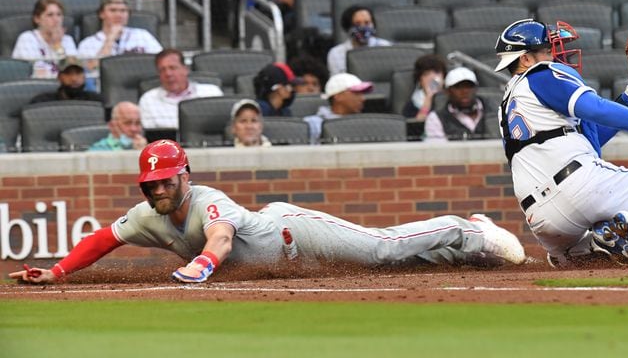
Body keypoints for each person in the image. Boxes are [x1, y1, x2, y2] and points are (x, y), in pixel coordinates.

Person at [10, 139, 525, 285]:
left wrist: (202, 266)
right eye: (149, 182)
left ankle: (468, 230)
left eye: (164, 179)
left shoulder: (207, 200)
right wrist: (56, 271)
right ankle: (463, 256)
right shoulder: (146, 214)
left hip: (291, 233)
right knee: (388, 268)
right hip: (287, 262)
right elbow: (102, 239)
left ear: (183, 175)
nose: (156, 189)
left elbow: (221, 239)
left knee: (380, 248)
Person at [494, 18, 628, 268]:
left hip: (543, 220)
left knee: (598, 256)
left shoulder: (508, 101)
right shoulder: (540, 75)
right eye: (548, 50)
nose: (555, 54)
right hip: (577, 184)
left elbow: (591, 139)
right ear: (525, 59)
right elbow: (595, 108)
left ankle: (582, 249)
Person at [138, 49, 223, 129]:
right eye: (162, 70)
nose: (168, 74)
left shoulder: (211, 92)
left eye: (172, 68)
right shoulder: (148, 100)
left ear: (185, 69)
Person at [77, 0, 162, 58]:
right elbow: (93, 69)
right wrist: (110, 38)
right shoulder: (88, 44)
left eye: (123, 11)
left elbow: (160, 61)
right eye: (113, 10)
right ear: (101, 14)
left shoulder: (143, 35)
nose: (118, 15)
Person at [12, 0, 78, 78]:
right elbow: (37, 74)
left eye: (59, 15)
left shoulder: (67, 40)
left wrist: (58, 45)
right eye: (50, 15)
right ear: (37, 19)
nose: (56, 19)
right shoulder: (27, 39)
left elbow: (73, 72)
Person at [303, 73, 373, 144]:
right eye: (356, 93)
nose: (363, 99)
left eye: (362, 94)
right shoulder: (313, 124)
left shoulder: (367, 123)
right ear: (338, 96)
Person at [423, 67, 488, 142]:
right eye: (458, 87)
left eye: (469, 86)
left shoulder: (496, 111)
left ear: (476, 88)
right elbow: (439, 151)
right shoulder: (435, 118)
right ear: (447, 91)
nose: (465, 91)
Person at [326, 5, 392, 76]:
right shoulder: (336, 53)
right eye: (357, 24)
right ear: (348, 27)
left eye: (367, 23)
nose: (363, 27)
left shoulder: (386, 47)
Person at [29, 58, 104, 104]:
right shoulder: (43, 102)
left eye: (78, 73)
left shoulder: (96, 101)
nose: (74, 78)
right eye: (68, 73)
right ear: (59, 77)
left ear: (84, 77)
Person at [402, 54, 447, 121]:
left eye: (437, 72)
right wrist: (428, 97)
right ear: (420, 80)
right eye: (427, 74)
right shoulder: (412, 104)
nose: (432, 77)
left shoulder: (452, 96)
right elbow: (417, 126)